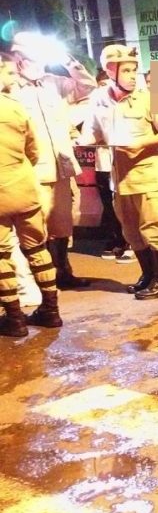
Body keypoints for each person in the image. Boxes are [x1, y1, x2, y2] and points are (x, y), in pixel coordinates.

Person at [79, 45, 158, 300]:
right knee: (131, 232)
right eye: (127, 70)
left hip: (147, 176)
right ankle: (148, 275)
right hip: (118, 179)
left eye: (135, 70)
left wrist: (141, 144)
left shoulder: (150, 97)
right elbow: (92, 133)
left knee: (153, 229)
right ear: (111, 70)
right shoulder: (99, 99)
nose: (133, 75)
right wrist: (79, 141)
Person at [10, 31, 96, 289]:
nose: (38, 62)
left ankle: (63, 271)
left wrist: (68, 61)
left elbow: (88, 86)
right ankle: (40, 277)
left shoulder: (53, 83)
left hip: (61, 167)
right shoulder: (10, 89)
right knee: (35, 226)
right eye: (32, 57)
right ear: (19, 59)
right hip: (32, 171)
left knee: (62, 224)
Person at [0, 52, 62, 337]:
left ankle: (14, 319)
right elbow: (33, 150)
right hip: (24, 189)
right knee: (37, 249)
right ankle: (51, 311)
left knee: (1, 255)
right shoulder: (15, 108)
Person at [86, 69, 132, 261]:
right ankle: (116, 240)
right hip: (102, 164)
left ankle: (130, 242)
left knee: (126, 205)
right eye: (101, 85)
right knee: (109, 206)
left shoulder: (125, 106)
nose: (103, 90)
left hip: (121, 163)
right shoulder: (94, 108)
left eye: (107, 85)